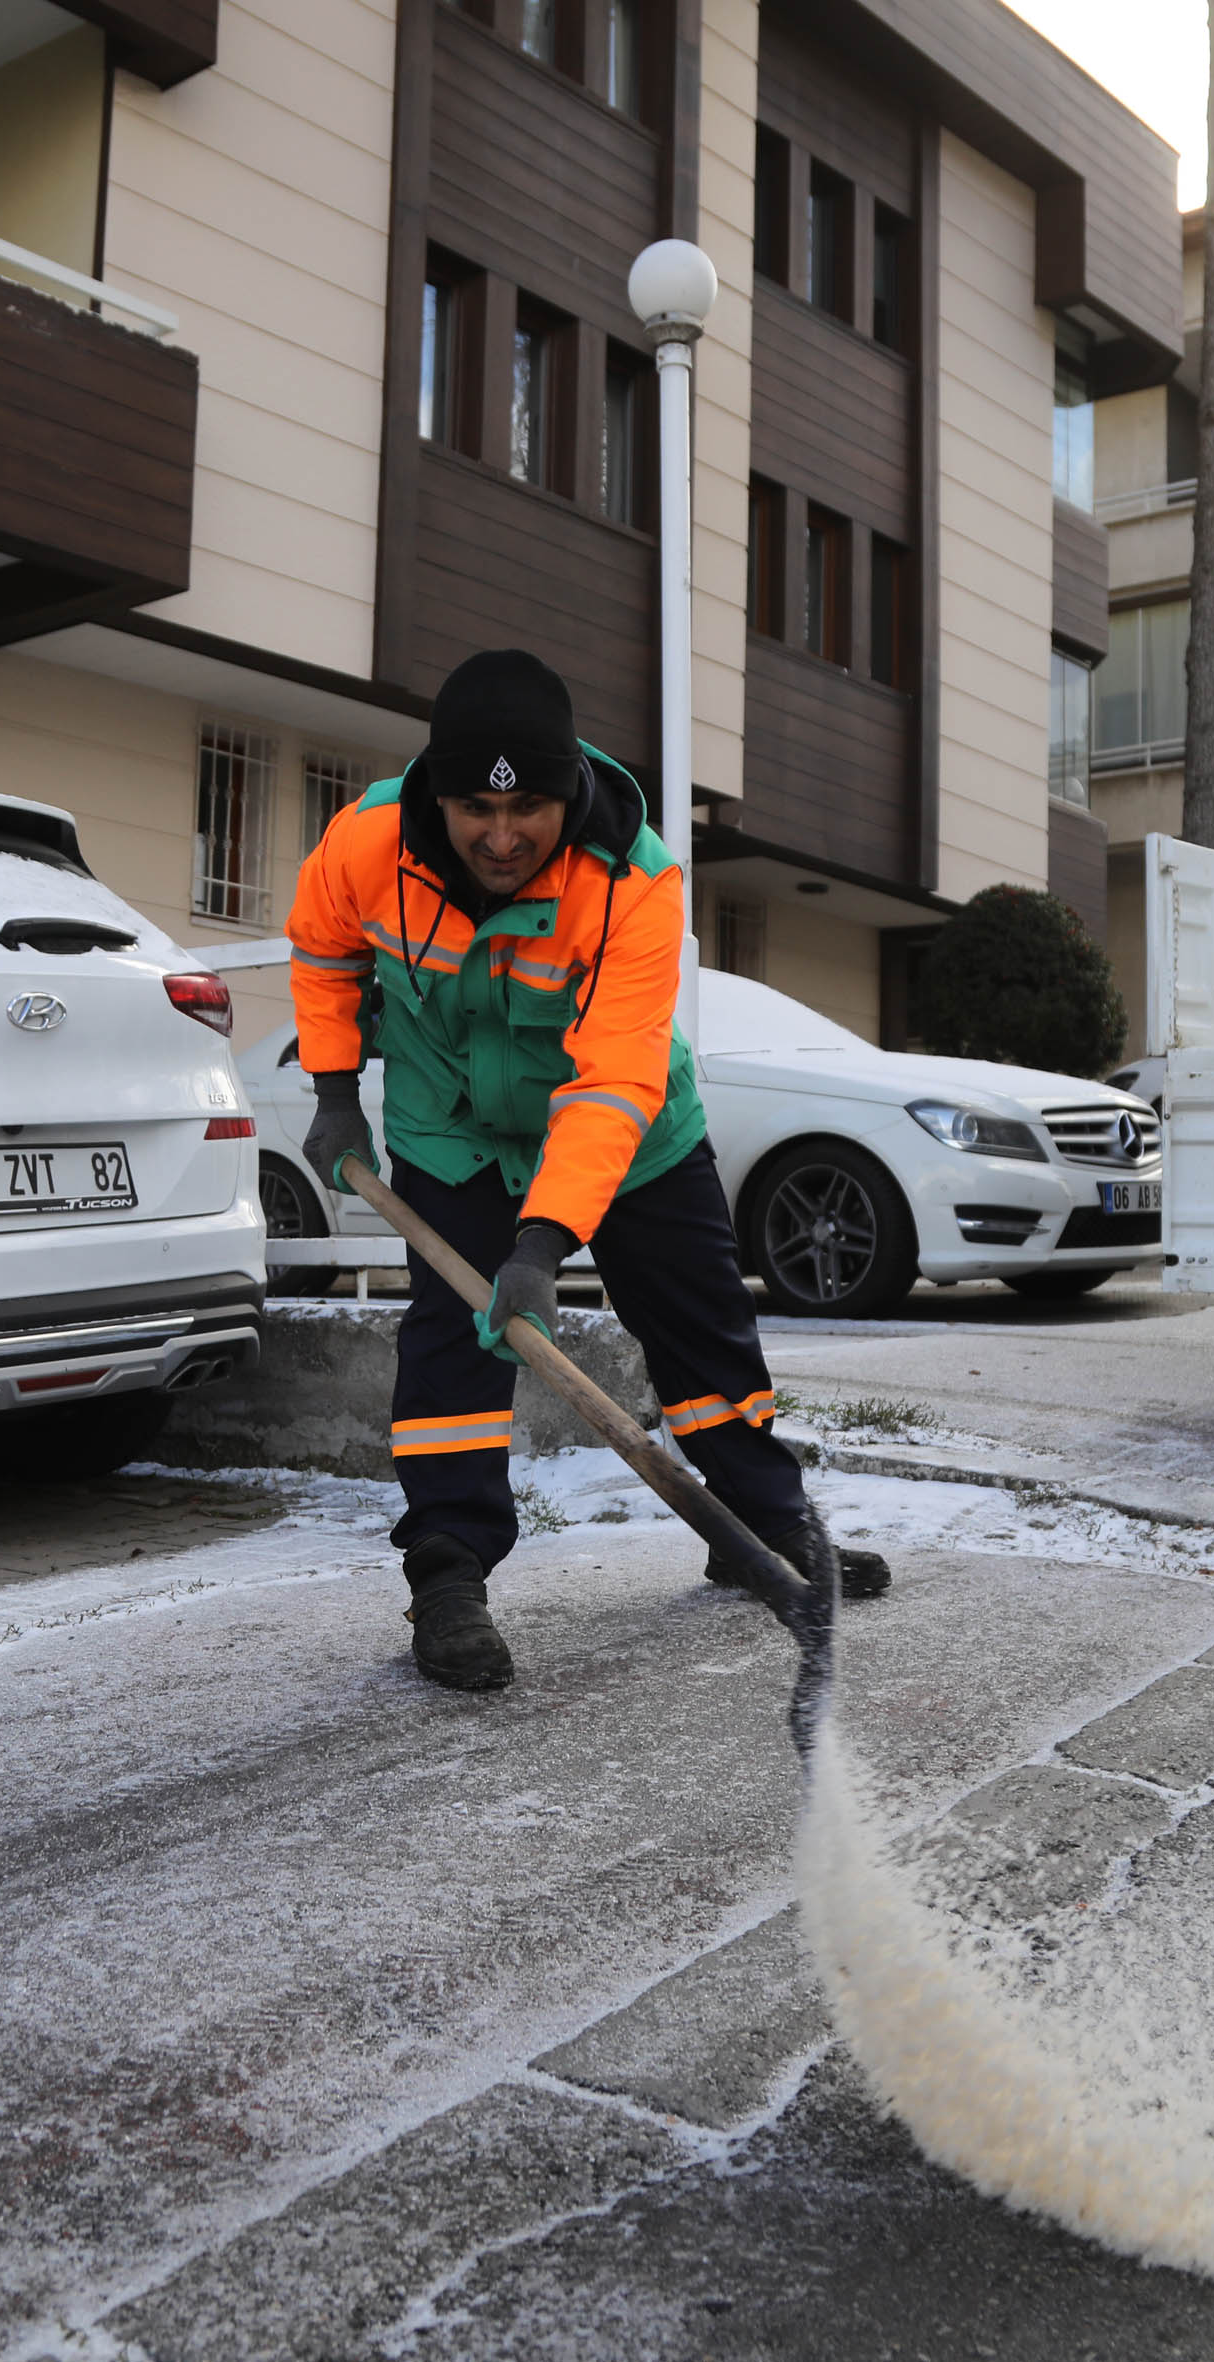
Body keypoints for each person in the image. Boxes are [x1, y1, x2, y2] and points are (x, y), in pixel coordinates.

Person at [286, 648, 890, 1692]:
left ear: (571, 793)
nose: (504, 836)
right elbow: (324, 949)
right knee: (451, 1352)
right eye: (476, 808)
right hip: (455, 1128)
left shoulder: (635, 881)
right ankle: (448, 1573)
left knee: (702, 1323)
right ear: (438, 791)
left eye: (531, 810)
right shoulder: (366, 844)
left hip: (629, 1133)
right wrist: (337, 1087)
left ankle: (757, 1519)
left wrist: (543, 1241)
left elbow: (611, 1082)